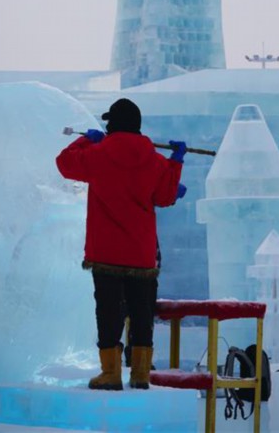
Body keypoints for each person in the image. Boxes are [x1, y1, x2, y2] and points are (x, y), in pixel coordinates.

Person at [56, 98, 186, 391]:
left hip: (106, 252)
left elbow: (64, 164)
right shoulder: (154, 159)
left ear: (112, 125)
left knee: (109, 312)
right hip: (140, 254)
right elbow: (165, 197)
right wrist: (176, 161)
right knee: (141, 313)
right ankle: (140, 374)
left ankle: (111, 374)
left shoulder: (99, 154)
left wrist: (85, 143)